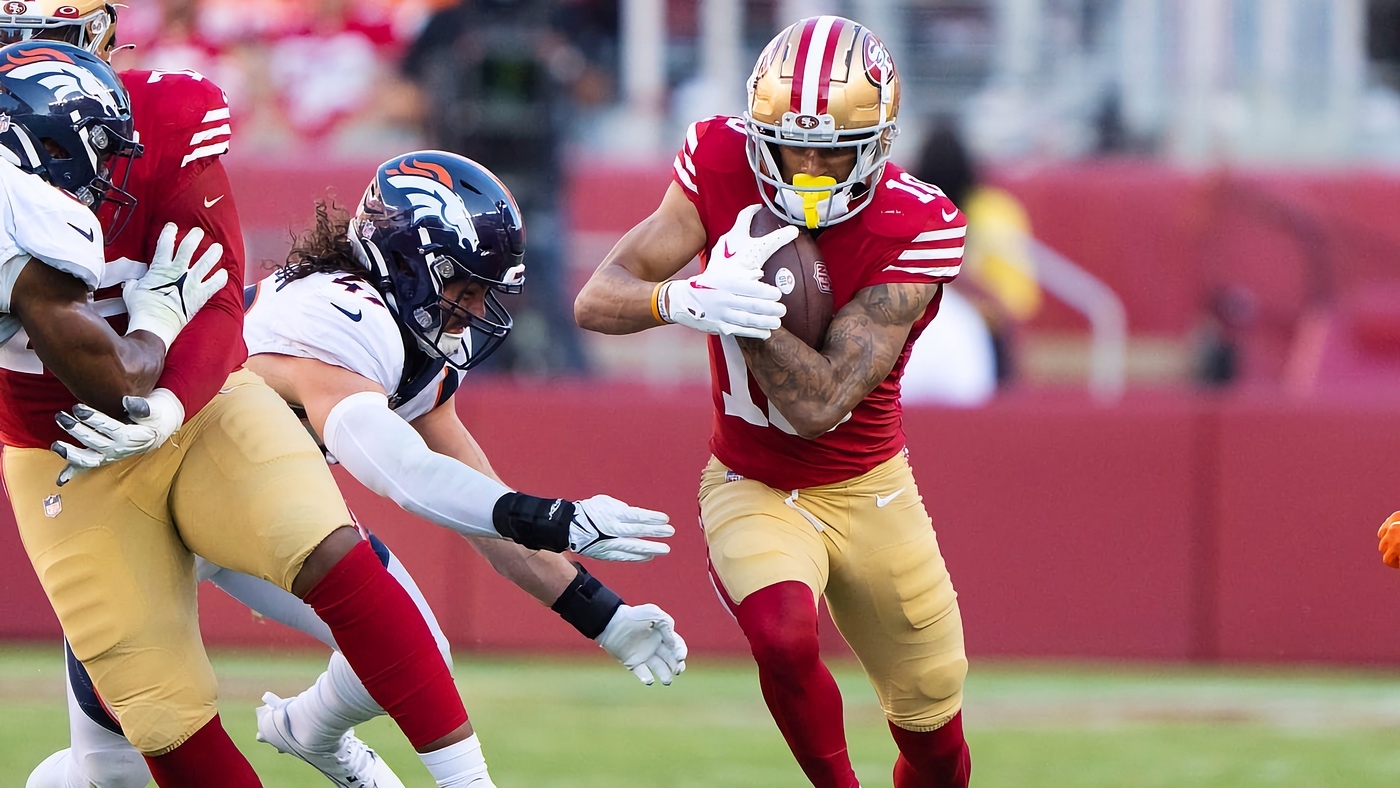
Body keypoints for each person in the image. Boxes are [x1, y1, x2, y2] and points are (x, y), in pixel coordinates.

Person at [0, 26, 650, 788]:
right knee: (110, 772)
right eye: (462, 288)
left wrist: (600, 614)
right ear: (408, 263)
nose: (471, 312)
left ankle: (312, 732)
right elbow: (402, 470)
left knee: (400, 641)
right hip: (109, 475)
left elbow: (483, 508)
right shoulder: (341, 316)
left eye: (482, 293)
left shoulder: (410, 349)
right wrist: (555, 515)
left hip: (232, 501)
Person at [575, 15, 973, 788]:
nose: (811, 167)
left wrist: (743, 312)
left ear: (881, 145)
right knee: (783, 634)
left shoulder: (918, 225)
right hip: (752, 482)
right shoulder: (720, 159)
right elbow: (600, 297)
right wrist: (686, 299)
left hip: (869, 487)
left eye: (833, 150)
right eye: (793, 144)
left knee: (934, 735)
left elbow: (821, 401)